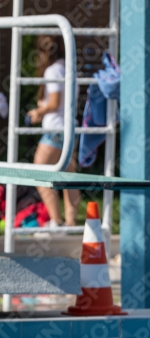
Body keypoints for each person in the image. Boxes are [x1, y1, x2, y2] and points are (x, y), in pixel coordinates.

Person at [27, 35, 80, 228]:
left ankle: (56, 221)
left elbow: (55, 102)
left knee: (39, 174)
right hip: (69, 127)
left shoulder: (53, 70)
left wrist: (38, 111)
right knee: (69, 177)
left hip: (55, 129)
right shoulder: (68, 68)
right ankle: (71, 223)